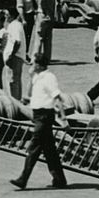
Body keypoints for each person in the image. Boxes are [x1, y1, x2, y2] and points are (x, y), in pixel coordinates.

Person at [9, 54, 68, 190]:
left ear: (40, 65)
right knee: (49, 150)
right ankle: (59, 179)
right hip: (37, 115)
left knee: (33, 148)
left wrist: (63, 118)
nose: (31, 64)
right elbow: (32, 94)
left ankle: (23, 179)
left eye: (33, 63)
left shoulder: (49, 78)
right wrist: (30, 77)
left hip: (45, 116)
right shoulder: (37, 77)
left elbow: (57, 98)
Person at [2, 12, 27, 99]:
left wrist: (11, 55)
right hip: (17, 56)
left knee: (12, 81)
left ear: (11, 16)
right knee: (16, 81)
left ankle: (15, 102)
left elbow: (17, 42)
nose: (5, 17)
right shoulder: (16, 25)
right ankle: (17, 101)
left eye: (6, 14)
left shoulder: (14, 25)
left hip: (15, 57)